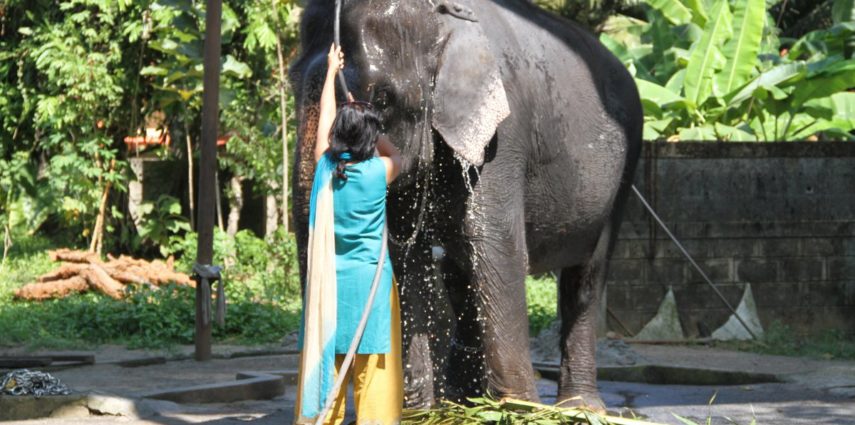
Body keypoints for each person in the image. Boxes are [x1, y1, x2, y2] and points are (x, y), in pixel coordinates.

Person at [295, 44, 403, 425]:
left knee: (330, 368)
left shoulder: (325, 170)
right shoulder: (378, 172)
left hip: (330, 287)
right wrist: (370, 124)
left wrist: (329, 75)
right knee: (374, 371)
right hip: (372, 283)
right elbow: (398, 155)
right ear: (369, 141)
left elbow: (324, 130)